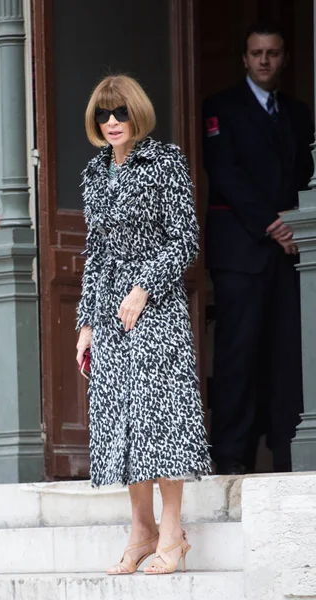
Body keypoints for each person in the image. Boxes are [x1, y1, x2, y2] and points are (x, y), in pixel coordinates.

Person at [76, 74, 211, 575]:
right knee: (123, 420)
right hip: (110, 317)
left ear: (137, 114)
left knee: (162, 419)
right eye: (103, 115)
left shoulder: (166, 161)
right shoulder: (93, 173)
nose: (112, 122)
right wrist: (87, 322)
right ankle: (141, 529)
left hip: (156, 311)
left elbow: (184, 240)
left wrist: (144, 286)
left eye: (120, 113)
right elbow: (96, 255)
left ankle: (172, 532)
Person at [203, 22, 314, 475]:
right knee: (238, 356)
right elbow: (224, 171)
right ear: (244, 59)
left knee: (289, 356)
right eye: (256, 53)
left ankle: (289, 454)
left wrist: (293, 226)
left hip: (291, 254)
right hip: (241, 252)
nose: (264, 60)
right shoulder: (220, 108)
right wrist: (272, 224)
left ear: (284, 58)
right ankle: (232, 457)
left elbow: (305, 174)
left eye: (272, 53)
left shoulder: (298, 112)